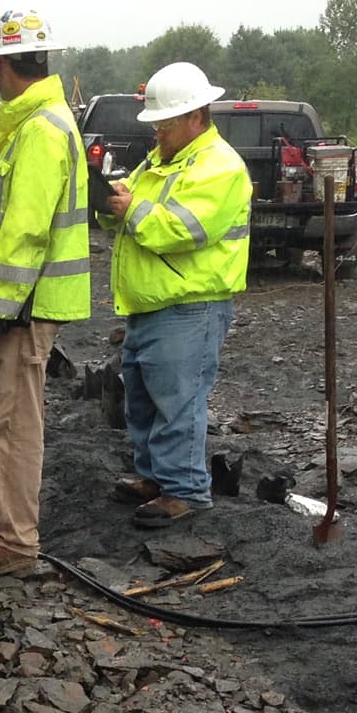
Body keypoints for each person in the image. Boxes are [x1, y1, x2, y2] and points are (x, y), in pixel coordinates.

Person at [0, 9, 90, 576]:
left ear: (4, 65)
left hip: (22, 309)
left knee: (12, 426)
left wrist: (1, 308)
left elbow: (27, 230)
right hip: (1, 305)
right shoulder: (27, 125)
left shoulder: (42, 131)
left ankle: (15, 541)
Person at [99, 62, 253, 528]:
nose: (158, 133)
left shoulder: (219, 166)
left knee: (178, 401)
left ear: (196, 117)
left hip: (190, 305)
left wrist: (133, 208)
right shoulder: (163, 160)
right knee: (143, 400)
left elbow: (183, 229)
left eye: (165, 124)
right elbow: (137, 222)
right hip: (152, 304)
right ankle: (156, 478)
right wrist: (111, 206)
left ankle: (184, 489)